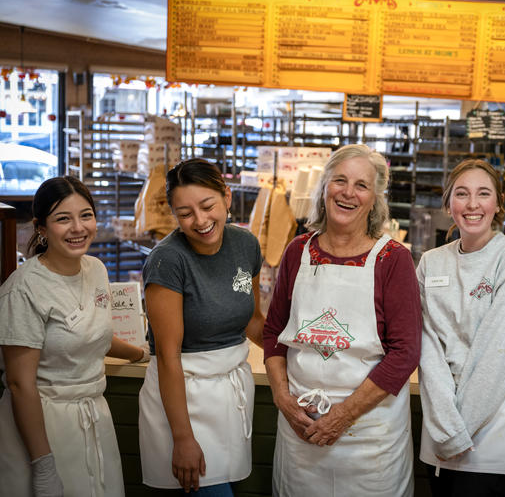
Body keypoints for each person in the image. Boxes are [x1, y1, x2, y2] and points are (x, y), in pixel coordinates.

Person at [263, 144, 421, 497]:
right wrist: (282, 398)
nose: (349, 193)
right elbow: (273, 333)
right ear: (324, 188)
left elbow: (405, 353)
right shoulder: (297, 251)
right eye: (340, 181)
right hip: (300, 427)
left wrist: (342, 417)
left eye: (362, 185)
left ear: (375, 198)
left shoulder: (392, 259)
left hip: (368, 437)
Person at [0, 176, 148, 497]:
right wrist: (43, 465)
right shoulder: (23, 289)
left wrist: (140, 354)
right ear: (41, 228)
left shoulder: (96, 269)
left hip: (94, 416)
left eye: (86, 215)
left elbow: (96, 336)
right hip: (43, 426)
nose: (78, 228)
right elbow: (19, 384)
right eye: (63, 219)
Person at [417, 159, 505, 497]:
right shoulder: (431, 262)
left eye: (483, 194)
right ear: (448, 204)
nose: (472, 204)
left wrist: (459, 430)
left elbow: (500, 351)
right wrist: (446, 426)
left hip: (497, 420)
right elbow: (427, 348)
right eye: (462, 194)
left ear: (499, 202)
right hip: (442, 421)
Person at [138, 159, 265, 496]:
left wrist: (296, 351)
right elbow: (167, 356)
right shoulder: (167, 260)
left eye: (207, 205)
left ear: (226, 197)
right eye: (185, 213)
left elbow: (252, 320)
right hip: (184, 402)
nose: (200, 221)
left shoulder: (246, 245)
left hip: (229, 394)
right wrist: (182, 438)